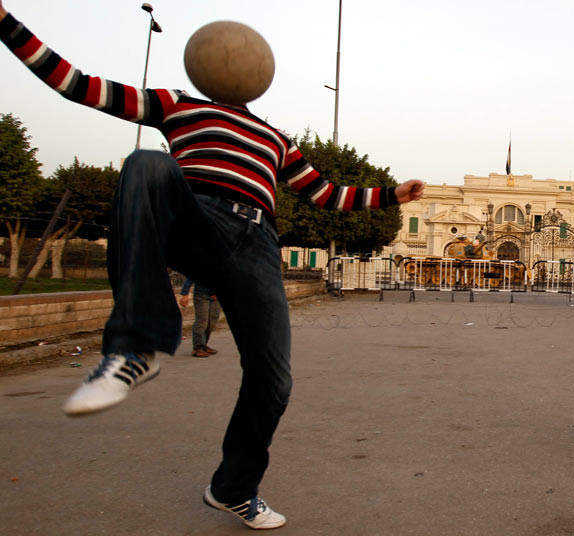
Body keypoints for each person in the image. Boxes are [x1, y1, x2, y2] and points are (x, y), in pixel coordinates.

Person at [0, 3, 424, 530]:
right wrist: (6, 23)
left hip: (256, 244)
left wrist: (391, 194)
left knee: (274, 380)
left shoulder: (275, 138)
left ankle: (233, 490)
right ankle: (136, 347)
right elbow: (74, 82)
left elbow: (325, 193)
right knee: (146, 164)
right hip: (193, 217)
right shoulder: (176, 105)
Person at [179, 278, 221, 357]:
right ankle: (197, 348)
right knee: (202, 321)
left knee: (212, 321)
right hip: (201, 294)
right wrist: (185, 294)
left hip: (216, 296)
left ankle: (203, 344)